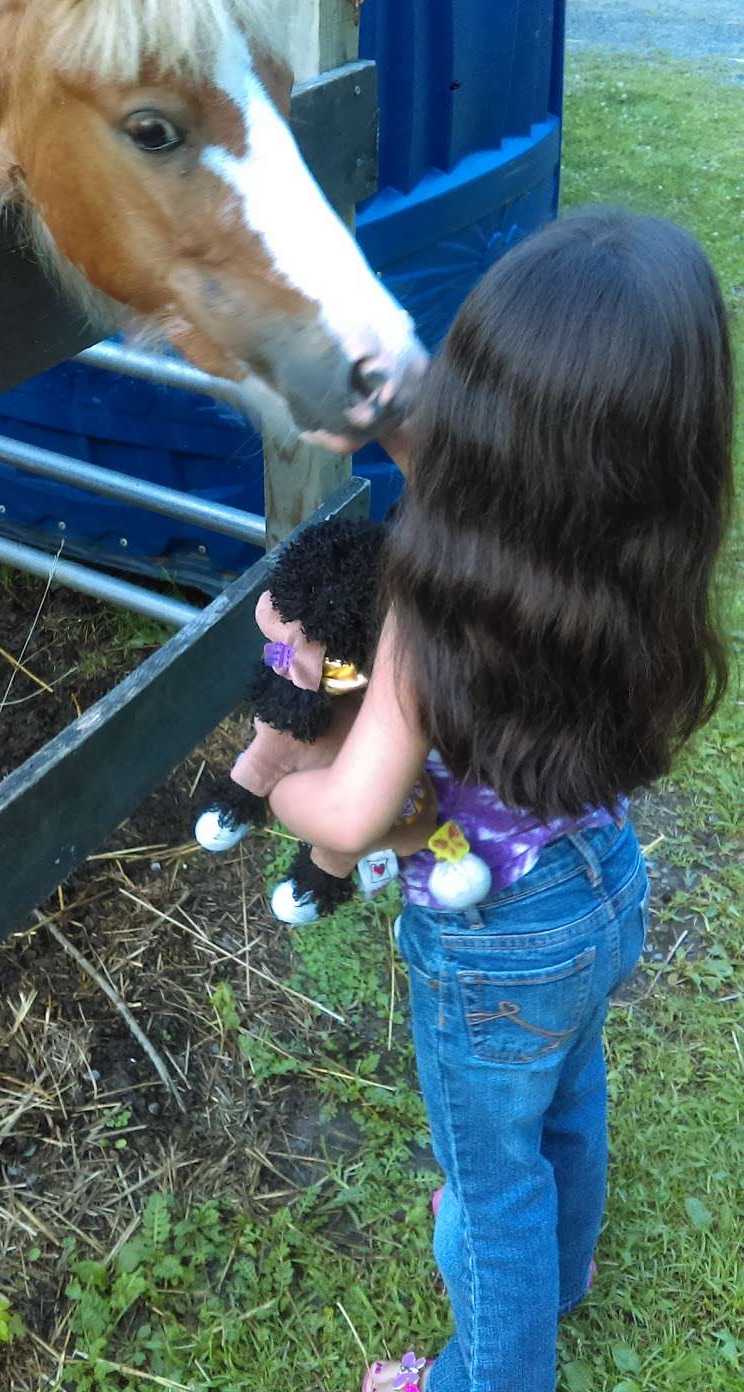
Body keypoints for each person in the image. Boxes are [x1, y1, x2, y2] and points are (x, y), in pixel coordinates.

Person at [268, 208, 733, 1392]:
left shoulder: (432, 606)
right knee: (570, 1086)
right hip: (601, 894)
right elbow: (516, 485)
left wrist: (288, 795)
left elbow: (360, 807)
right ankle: (564, 1272)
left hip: (491, 949)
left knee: (492, 1188)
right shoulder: (641, 574)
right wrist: (393, 429)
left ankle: (489, 1370)